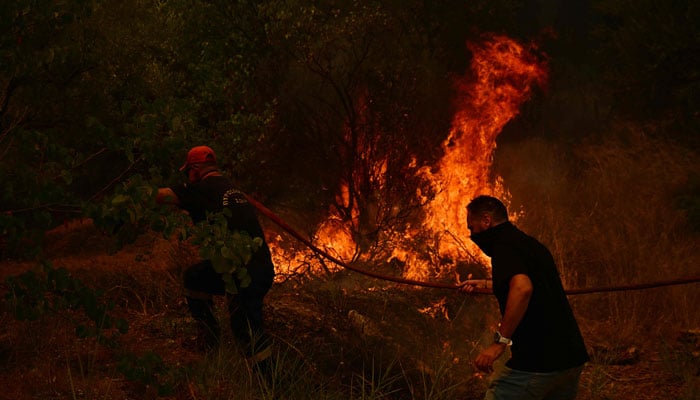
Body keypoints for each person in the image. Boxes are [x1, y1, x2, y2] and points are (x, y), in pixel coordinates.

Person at [156, 145, 275, 368]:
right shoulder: (231, 189)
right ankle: (210, 339)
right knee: (195, 277)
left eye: (188, 173)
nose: (188, 178)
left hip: (243, 272)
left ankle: (270, 383)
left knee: (246, 329)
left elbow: (163, 196)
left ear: (195, 170)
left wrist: (130, 197)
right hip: (254, 268)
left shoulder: (202, 189)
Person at [461, 195, 589, 400]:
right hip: (571, 358)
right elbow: (535, 283)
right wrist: (487, 284)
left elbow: (522, 288)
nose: (472, 234)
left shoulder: (502, 247)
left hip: (539, 361)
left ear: (486, 221)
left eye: (472, 227)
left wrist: (500, 342)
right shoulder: (530, 245)